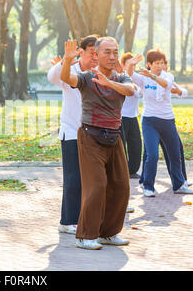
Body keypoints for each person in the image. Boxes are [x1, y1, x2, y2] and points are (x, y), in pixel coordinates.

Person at [60, 37, 135, 250]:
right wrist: (67, 60)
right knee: (97, 186)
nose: (112, 57)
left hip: (114, 136)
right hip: (90, 136)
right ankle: (85, 236)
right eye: (107, 52)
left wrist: (109, 82)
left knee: (121, 186)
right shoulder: (87, 77)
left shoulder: (121, 78)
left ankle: (108, 233)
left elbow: (130, 90)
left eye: (115, 52)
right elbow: (67, 78)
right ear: (96, 55)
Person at [47, 35, 99, 235]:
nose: (95, 56)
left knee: (93, 179)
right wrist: (66, 60)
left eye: (98, 53)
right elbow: (53, 77)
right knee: (74, 178)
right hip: (72, 132)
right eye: (91, 52)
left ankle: (88, 217)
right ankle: (67, 221)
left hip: (95, 134)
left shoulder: (99, 73)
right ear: (82, 51)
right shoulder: (71, 71)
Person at [126, 50, 193, 197]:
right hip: (149, 121)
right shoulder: (143, 79)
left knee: (175, 154)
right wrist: (131, 64)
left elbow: (165, 84)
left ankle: (178, 185)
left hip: (168, 120)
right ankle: (148, 186)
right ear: (149, 64)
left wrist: (153, 76)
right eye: (156, 63)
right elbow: (131, 74)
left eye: (162, 63)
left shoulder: (168, 76)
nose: (160, 66)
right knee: (152, 155)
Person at [120, 53, 143, 180]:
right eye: (130, 64)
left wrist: (134, 88)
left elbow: (138, 93)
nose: (133, 66)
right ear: (123, 65)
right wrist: (133, 88)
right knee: (121, 146)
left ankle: (132, 171)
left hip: (133, 116)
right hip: (121, 116)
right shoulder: (120, 78)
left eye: (134, 64)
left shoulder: (138, 78)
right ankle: (122, 171)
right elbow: (129, 91)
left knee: (136, 145)